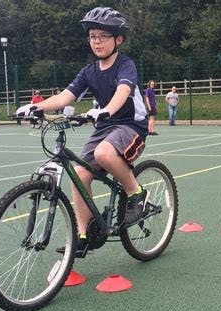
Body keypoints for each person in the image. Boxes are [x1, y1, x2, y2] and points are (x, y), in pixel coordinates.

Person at [30, 6, 148, 257]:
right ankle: (83, 236)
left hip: (130, 125)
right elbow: (65, 97)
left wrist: (106, 110)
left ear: (118, 39)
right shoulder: (89, 71)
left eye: (103, 36)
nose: (97, 41)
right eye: (93, 36)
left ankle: (136, 193)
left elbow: (123, 92)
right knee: (79, 174)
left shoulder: (126, 65)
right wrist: (35, 106)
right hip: (105, 126)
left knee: (105, 153)